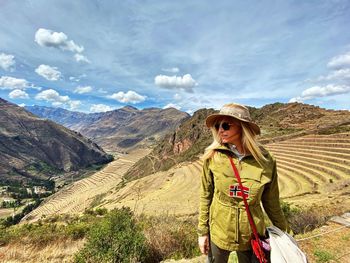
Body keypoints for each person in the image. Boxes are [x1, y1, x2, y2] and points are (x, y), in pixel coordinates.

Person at [198, 103, 290, 263]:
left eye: (225, 125)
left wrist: (285, 233)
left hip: (252, 234)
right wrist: (202, 232)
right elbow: (206, 196)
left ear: (243, 127)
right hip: (219, 231)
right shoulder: (212, 156)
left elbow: (271, 202)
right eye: (217, 125)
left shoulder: (266, 161)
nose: (220, 130)